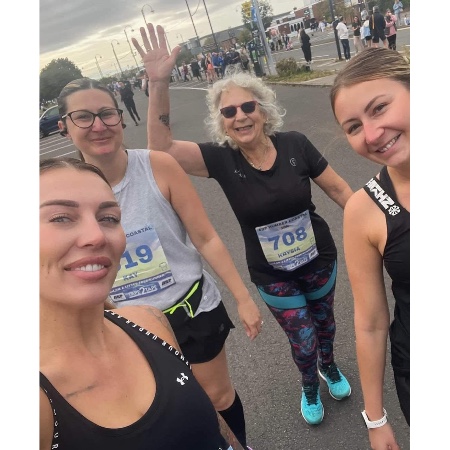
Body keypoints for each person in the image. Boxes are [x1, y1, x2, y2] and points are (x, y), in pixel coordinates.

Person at [133, 23, 355, 427]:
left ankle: (330, 365)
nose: (240, 116)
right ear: (222, 122)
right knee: (303, 339)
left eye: (248, 107)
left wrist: (374, 230)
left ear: (263, 110)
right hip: (272, 274)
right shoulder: (221, 159)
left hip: (319, 259)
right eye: (229, 112)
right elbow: (160, 148)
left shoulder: (295, 143)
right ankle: (309, 383)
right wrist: (159, 82)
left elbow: (340, 189)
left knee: (325, 326)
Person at [56, 77, 262, 450]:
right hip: (124, 329)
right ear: (64, 126)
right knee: (160, 415)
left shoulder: (158, 166)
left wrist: (243, 297)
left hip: (190, 310)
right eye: (83, 117)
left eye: (106, 114)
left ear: (121, 117)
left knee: (217, 397)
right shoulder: (62, 196)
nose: (99, 126)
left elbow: (206, 237)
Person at [39, 157, 245, 450]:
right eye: (61, 218)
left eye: (109, 218)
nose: (97, 235)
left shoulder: (149, 321)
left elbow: (210, 423)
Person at [330, 48, 410, 448]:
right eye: (354, 126)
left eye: (379, 108)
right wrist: (375, 419)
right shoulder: (365, 209)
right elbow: (371, 322)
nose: (373, 134)